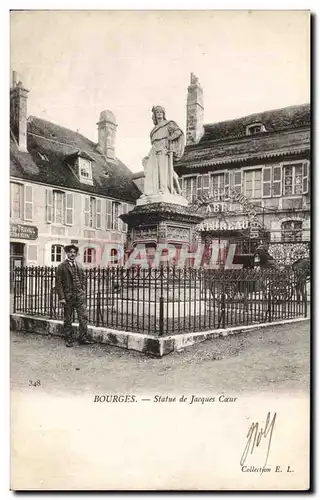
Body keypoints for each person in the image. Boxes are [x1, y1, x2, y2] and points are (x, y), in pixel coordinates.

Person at [142, 105, 185, 196]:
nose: (159, 113)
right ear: (154, 115)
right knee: (150, 170)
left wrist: (170, 138)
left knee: (163, 170)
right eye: (157, 112)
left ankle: (163, 189)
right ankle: (150, 192)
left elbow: (179, 132)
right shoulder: (154, 129)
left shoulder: (168, 124)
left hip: (163, 149)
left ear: (163, 114)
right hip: (154, 150)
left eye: (161, 112)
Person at [55, 244, 93, 347]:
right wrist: (62, 298)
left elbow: (84, 279)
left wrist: (83, 290)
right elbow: (58, 283)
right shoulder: (62, 266)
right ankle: (68, 339)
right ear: (67, 253)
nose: (72, 254)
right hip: (68, 297)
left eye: (74, 252)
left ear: (76, 254)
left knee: (83, 317)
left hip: (79, 296)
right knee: (68, 318)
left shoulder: (79, 265)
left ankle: (83, 338)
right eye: (70, 252)